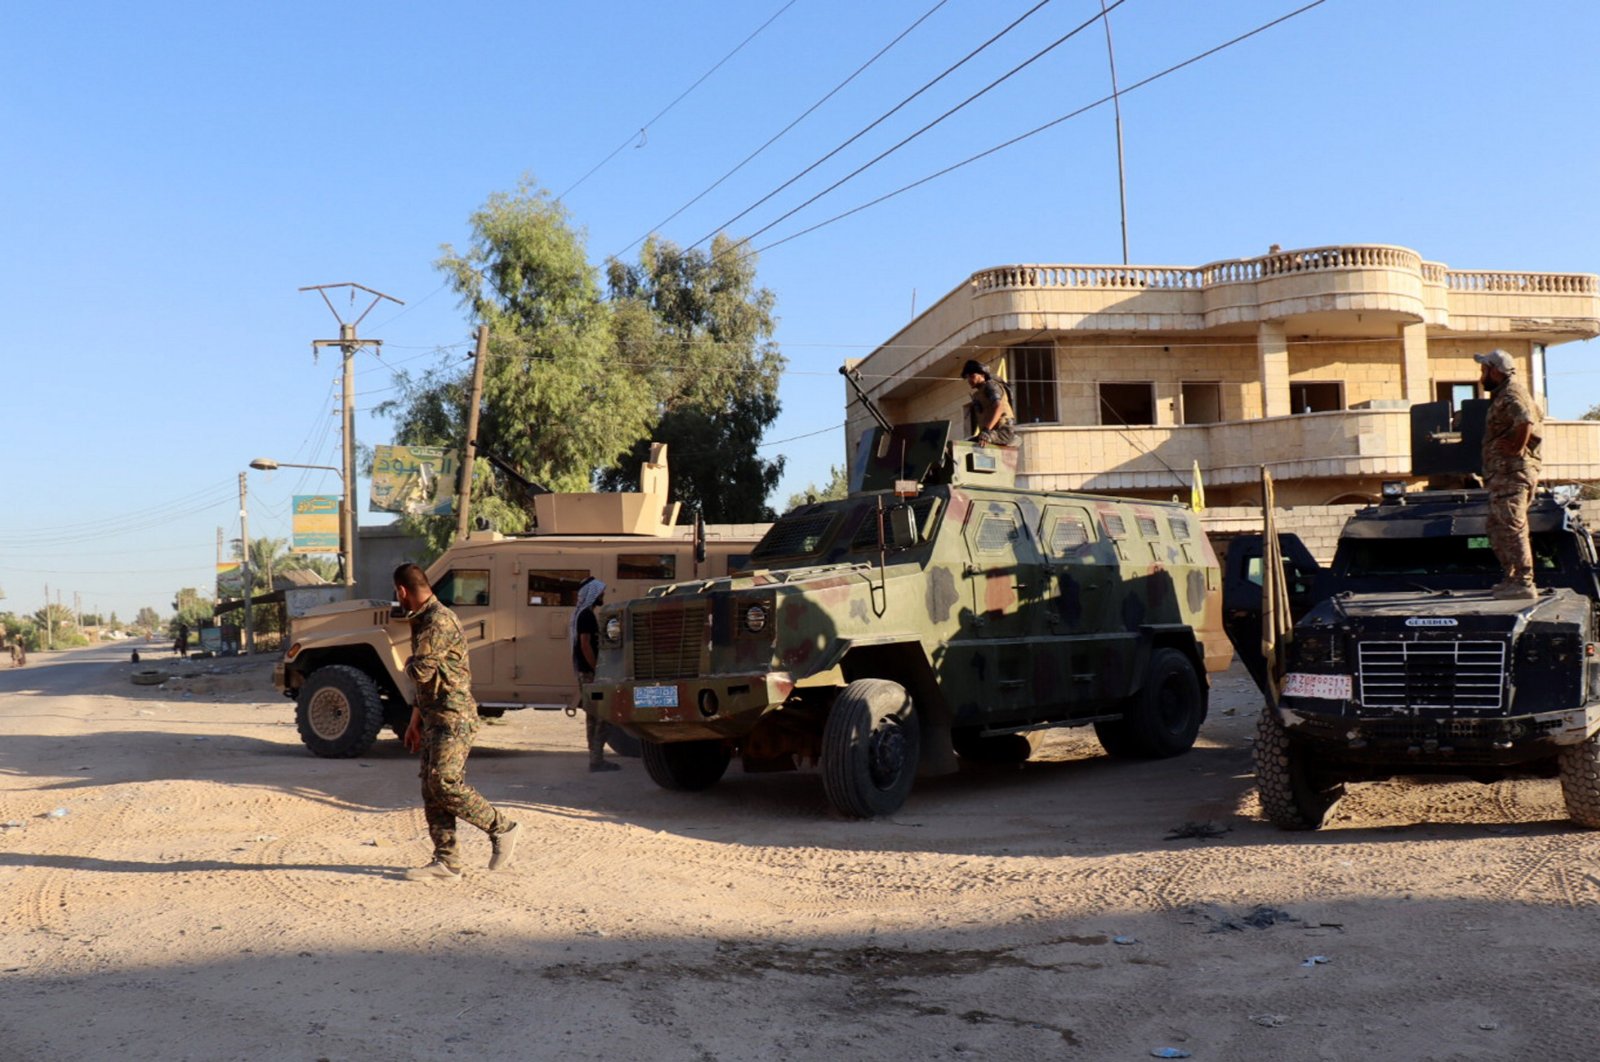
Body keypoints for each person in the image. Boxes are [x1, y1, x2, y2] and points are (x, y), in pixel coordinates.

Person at [394, 562, 520, 881]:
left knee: (445, 783)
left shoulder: (437, 621)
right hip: (435, 715)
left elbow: (420, 671)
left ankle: (501, 828)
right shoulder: (423, 620)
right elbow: (427, 681)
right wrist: (415, 721)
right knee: (431, 787)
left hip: (453, 717)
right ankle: (447, 862)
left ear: (402, 591)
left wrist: (406, 662)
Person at [1476, 349, 1543, 600]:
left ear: (1496, 370)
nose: (1482, 375)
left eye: (1484, 370)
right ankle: (1512, 578)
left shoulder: (1512, 393)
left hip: (1512, 473)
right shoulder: (1503, 394)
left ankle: (1524, 581)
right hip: (1502, 473)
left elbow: (1525, 421)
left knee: (1513, 524)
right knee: (1496, 526)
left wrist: (1516, 447)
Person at [570, 577, 620, 773]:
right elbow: (585, 644)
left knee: (593, 717)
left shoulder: (584, 614)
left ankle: (595, 758)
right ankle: (597, 760)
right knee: (601, 717)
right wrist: (597, 669)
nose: (602, 596)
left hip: (587, 673)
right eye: (600, 593)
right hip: (591, 674)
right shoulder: (586, 616)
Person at [962, 359, 1017, 446]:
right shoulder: (979, 394)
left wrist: (986, 431)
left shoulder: (990, 386)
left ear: (982, 375)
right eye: (968, 377)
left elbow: (999, 407)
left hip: (1004, 431)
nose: (969, 379)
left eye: (972, 376)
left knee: (978, 445)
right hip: (992, 432)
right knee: (963, 445)